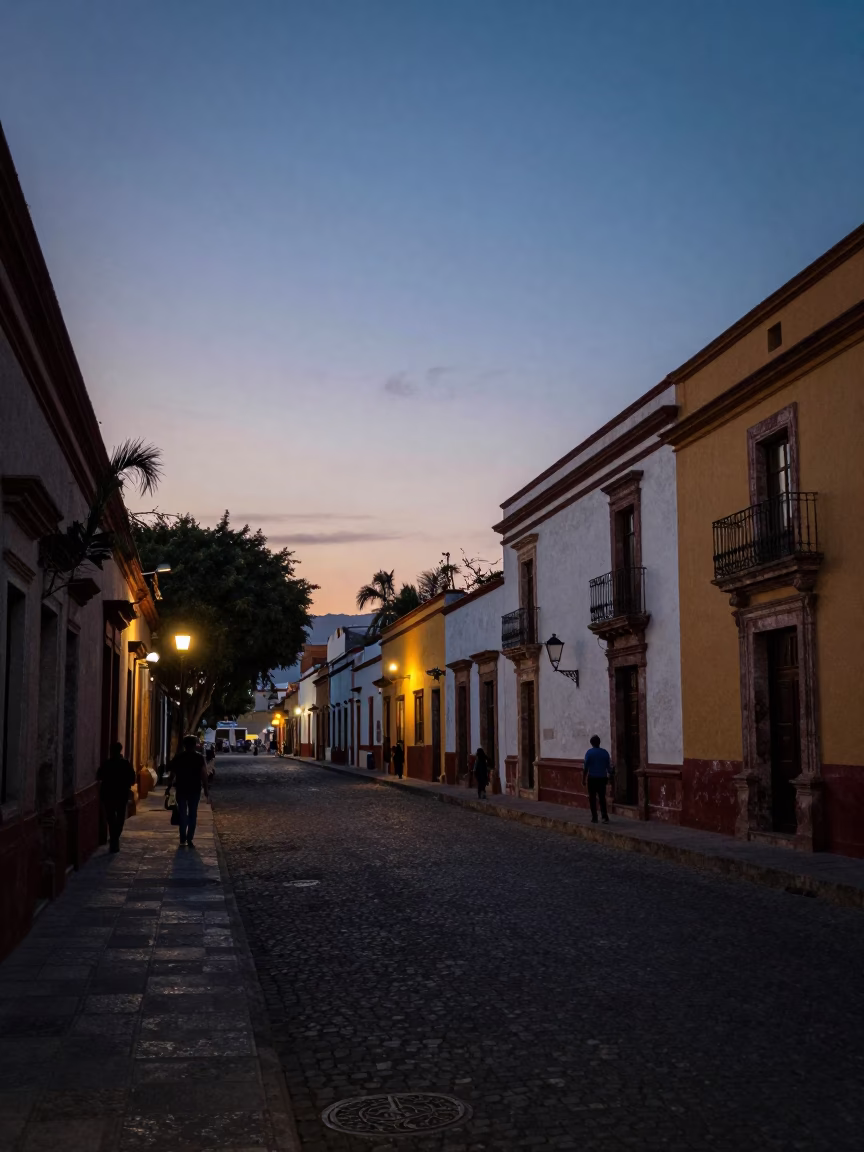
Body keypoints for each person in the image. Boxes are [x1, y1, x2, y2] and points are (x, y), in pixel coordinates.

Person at [165, 735, 210, 848]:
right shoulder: (199, 758)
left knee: (182, 814)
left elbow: (172, 774)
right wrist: (206, 789)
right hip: (194, 789)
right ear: (195, 745)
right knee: (193, 814)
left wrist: (168, 787)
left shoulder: (179, 757)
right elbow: (203, 774)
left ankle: (182, 838)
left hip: (181, 788)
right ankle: (190, 839)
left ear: (184, 745)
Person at [97, 742, 136, 853]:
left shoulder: (107, 763)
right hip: (121, 794)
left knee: (111, 818)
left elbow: (99, 776)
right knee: (119, 818)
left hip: (108, 794)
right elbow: (132, 779)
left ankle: (114, 839)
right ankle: (115, 838)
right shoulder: (125, 764)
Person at [582, 734, 612, 824]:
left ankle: (594, 817)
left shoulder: (589, 753)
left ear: (591, 743)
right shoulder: (605, 752)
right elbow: (608, 767)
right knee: (602, 797)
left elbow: (586, 767)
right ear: (599, 742)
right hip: (602, 778)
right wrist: (611, 774)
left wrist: (583, 779)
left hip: (592, 778)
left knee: (592, 798)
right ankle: (604, 816)